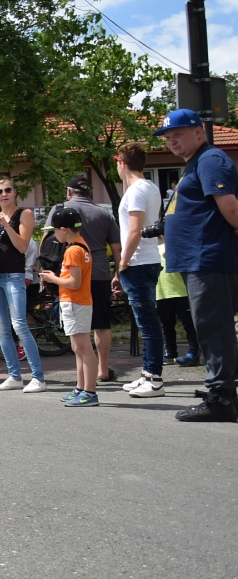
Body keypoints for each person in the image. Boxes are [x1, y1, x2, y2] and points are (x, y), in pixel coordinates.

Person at [156, 109, 238, 422]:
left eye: (178, 134)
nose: (172, 141)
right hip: (200, 260)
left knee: (213, 328)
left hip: (210, 258)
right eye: (167, 137)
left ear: (199, 132)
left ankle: (220, 398)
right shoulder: (197, 163)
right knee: (211, 327)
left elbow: (229, 205)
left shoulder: (210, 160)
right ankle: (224, 391)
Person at [45, 175, 121, 382]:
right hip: (99, 273)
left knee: (78, 330)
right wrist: (118, 274)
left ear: (69, 192)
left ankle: (84, 378)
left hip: (70, 274)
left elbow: (46, 242)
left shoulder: (59, 209)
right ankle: (103, 369)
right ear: (90, 193)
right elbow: (116, 248)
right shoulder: (104, 214)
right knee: (102, 322)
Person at [109, 143, 166, 398]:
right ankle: (147, 373)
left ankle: (154, 377)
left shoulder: (135, 191)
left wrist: (122, 264)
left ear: (121, 162)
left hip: (139, 262)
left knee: (147, 322)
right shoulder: (150, 187)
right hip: (147, 260)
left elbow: (134, 230)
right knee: (146, 320)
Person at [0, 177, 47, 393]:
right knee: (2, 328)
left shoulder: (24, 214)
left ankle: (38, 377)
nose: (4, 194)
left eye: (8, 190)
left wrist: (6, 225)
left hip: (13, 276)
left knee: (19, 324)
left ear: (15, 192)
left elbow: (22, 246)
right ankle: (14, 375)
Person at [40, 208, 97, 406]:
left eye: (54, 230)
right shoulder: (80, 246)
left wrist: (52, 278)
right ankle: (81, 387)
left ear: (64, 229)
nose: (53, 234)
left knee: (84, 348)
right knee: (77, 347)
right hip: (75, 302)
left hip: (75, 301)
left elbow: (74, 282)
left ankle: (90, 391)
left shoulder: (73, 250)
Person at [155, 241, 198, 367]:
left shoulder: (177, 244)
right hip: (162, 293)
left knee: (189, 324)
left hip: (181, 291)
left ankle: (194, 353)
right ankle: (170, 353)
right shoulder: (153, 249)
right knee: (167, 325)